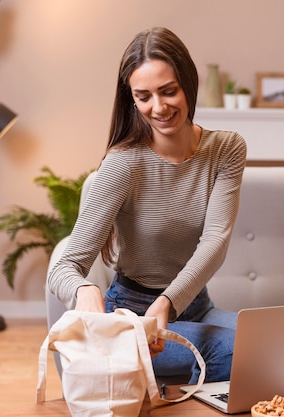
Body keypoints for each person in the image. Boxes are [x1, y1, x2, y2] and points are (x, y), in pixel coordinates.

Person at [47, 27, 247, 384]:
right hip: (131, 315)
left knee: (264, 344)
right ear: (132, 100)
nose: (159, 107)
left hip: (196, 308)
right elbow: (65, 265)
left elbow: (215, 241)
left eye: (169, 91)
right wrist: (85, 290)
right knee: (238, 352)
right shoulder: (124, 163)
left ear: (189, 83)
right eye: (144, 97)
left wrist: (168, 305)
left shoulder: (226, 149)